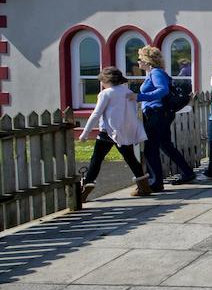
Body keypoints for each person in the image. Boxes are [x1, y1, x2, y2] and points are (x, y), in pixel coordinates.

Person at [77, 67, 150, 200]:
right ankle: (144, 187)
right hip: (123, 131)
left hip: (107, 131)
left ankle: (87, 184)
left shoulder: (106, 93)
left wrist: (85, 133)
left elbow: (96, 114)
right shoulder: (128, 91)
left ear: (105, 81)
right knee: (130, 158)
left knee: (97, 159)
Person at [136, 45, 196, 190]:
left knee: (151, 149)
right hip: (161, 114)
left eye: (139, 58)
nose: (138, 62)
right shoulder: (155, 73)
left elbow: (162, 90)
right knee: (165, 145)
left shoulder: (156, 73)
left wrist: (139, 96)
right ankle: (187, 172)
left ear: (147, 60)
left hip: (156, 114)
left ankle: (155, 183)